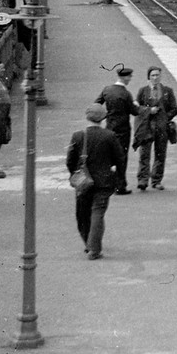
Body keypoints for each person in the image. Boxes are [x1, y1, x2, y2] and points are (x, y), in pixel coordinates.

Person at [66, 105, 123, 259]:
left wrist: (74, 174)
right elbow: (119, 159)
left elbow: (70, 160)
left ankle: (88, 244)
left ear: (87, 117)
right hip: (104, 182)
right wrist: (119, 177)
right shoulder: (109, 135)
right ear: (103, 118)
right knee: (98, 213)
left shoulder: (78, 136)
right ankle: (94, 249)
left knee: (83, 214)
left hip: (83, 182)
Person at [133, 65, 177, 191]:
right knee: (144, 154)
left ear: (160, 76)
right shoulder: (143, 91)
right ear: (149, 77)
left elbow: (174, 109)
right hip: (146, 127)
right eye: (153, 75)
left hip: (162, 128)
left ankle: (156, 180)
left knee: (160, 154)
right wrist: (149, 111)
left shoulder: (167, 91)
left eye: (157, 75)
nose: (155, 77)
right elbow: (137, 109)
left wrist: (164, 117)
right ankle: (142, 180)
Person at [94, 66, 138, 194]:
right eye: (129, 77)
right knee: (121, 158)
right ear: (124, 77)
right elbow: (134, 112)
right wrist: (138, 106)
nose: (130, 79)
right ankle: (120, 186)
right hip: (123, 130)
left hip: (109, 128)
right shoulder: (126, 94)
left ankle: (107, 184)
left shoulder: (107, 90)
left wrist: (106, 115)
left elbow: (97, 104)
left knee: (109, 157)